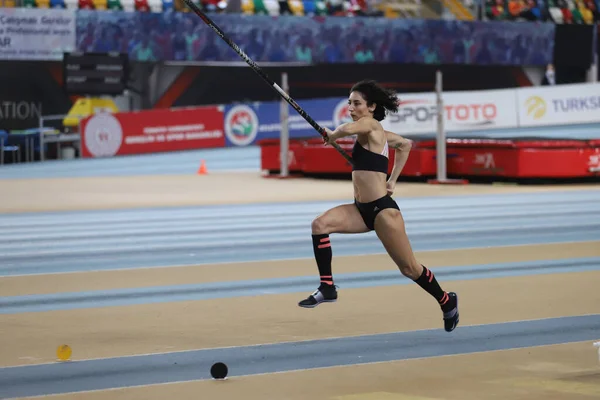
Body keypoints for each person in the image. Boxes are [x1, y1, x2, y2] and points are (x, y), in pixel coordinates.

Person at [297, 80, 460, 333]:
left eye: (356, 103)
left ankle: (446, 301)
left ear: (371, 107)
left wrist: (333, 135)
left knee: (409, 268)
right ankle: (328, 287)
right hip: (360, 210)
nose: (351, 107)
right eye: (349, 102)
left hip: (383, 212)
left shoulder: (371, 125)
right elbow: (405, 144)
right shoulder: (377, 135)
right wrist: (392, 180)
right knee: (320, 225)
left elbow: (349, 127)